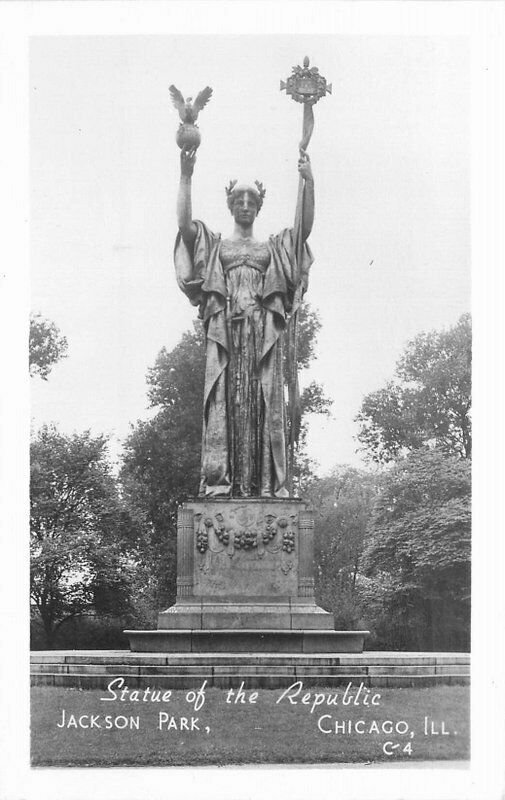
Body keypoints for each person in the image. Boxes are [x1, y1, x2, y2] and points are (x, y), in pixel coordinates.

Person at [174, 147, 314, 498]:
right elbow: (184, 227)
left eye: (252, 200)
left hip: (261, 337)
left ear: (259, 206)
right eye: (239, 199)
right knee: (225, 402)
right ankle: (222, 482)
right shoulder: (217, 246)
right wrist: (186, 175)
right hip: (227, 336)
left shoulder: (271, 248)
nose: (246, 205)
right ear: (230, 205)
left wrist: (308, 183)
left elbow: (302, 232)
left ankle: (264, 485)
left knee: (262, 402)